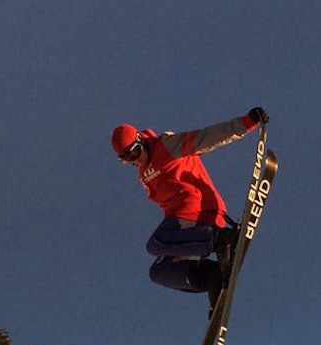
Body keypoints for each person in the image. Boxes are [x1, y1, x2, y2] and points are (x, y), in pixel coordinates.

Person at [112, 107, 269, 307]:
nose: (135, 159)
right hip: (186, 226)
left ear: (140, 140)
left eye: (135, 151)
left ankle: (221, 239)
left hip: (200, 211)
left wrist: (247, 123)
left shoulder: (166, 145)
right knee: (159, 271)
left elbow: (207, 137)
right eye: (128, 159)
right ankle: (211, 277)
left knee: (155, 243)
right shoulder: (143, 174)